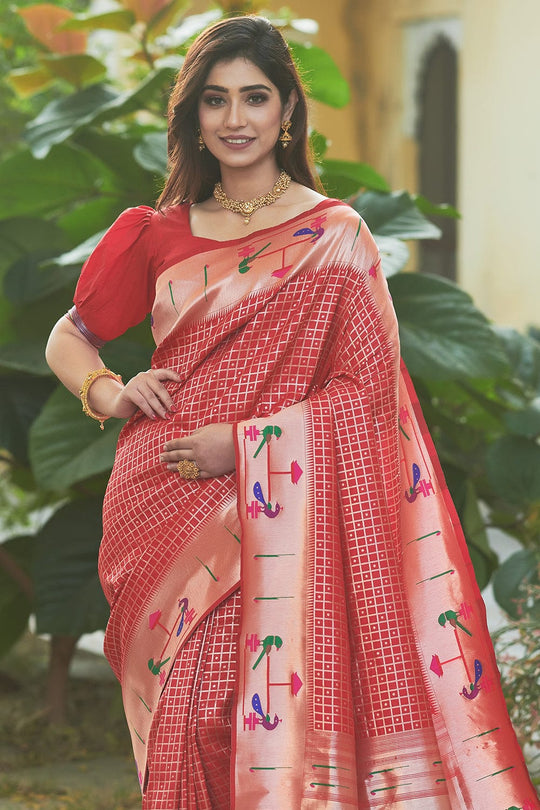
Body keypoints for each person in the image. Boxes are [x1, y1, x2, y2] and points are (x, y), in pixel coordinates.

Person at [45, 15, 538, 810]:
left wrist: (246, 447)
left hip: (283, 507)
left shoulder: (336, 237)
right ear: (193, 117)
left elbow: (368, 395)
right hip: (164, 503)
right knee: (188, 716)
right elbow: (71, 335)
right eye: (215, 100)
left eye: (255, 97)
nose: (234, 118)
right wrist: (108, 390)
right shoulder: (157, 233)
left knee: (242, 712)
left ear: (286, 112)